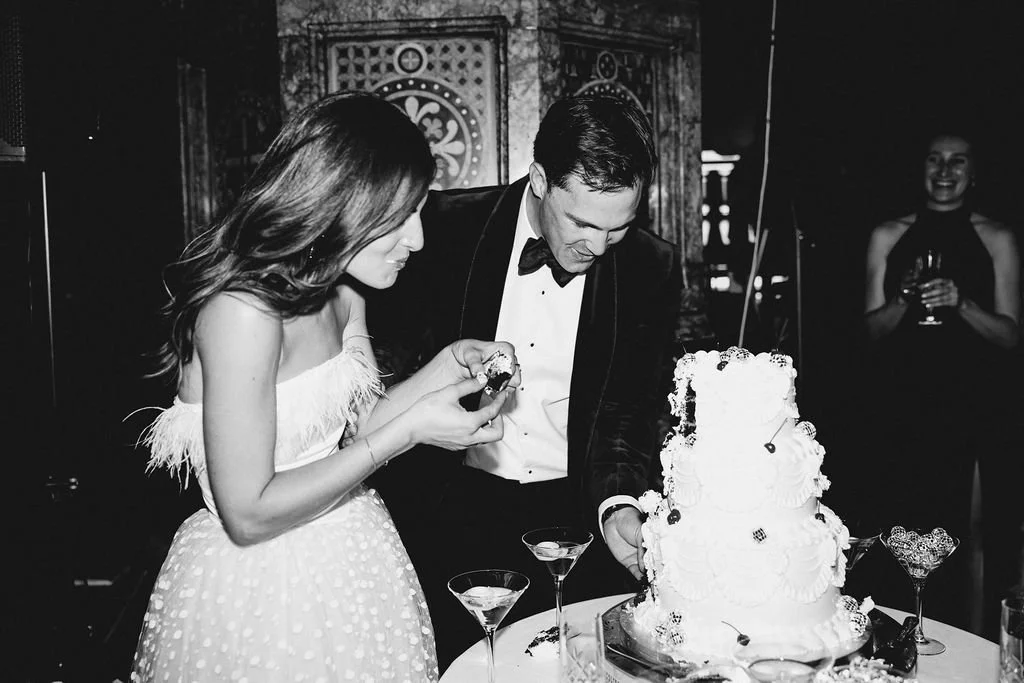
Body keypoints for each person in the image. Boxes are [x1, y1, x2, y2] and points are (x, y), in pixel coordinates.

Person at [130, 91, 521, 682]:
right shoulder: (241, 313)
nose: (417, 240)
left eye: (419, 213)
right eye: (399, 218)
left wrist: (449, 365)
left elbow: (358, 426)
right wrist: (408, 434)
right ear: (339, 204)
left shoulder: (345, 293)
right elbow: (247, 512)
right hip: (257, 594)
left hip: (352, 562)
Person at [368, 94, 682, 669]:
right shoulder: (440, 229)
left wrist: (617, 505)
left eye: (618, 227)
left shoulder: (649, 266)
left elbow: (627, 413)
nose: (598, 246)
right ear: (539, 180)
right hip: (453, 506)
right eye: (581, 222)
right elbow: (379, 378)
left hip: (575, 517)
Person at [861, 131, 1022, 634]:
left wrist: (962, 302)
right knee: (899, 529)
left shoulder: (996, 237)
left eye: (958, 161)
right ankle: (904, 638)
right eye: (935, 159)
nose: (945, 170)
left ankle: (970, 642)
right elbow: (869, 332)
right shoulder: (888, 234)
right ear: (922, 168)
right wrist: (904, 299)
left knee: (966, 538)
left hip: (974, 409)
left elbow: (1011, 335)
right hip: (902, 407)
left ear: (974, 173)